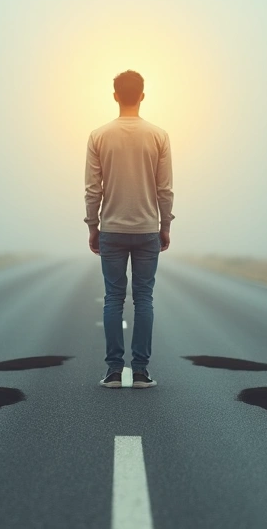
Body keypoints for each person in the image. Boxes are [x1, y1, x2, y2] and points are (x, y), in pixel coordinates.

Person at [85, 69, 174, 389]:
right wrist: (165, 225)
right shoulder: (159, 135)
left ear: (115, 96)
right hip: (147, 227)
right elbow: (165, 189)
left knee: (113, 298)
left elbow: (93, 189)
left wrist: (93, 225)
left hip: (112, 227)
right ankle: (139, 371)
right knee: (144, 299)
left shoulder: (98, 135)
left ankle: (112, 371)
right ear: (142, 96)